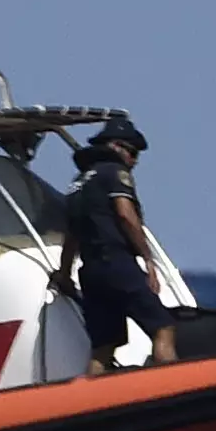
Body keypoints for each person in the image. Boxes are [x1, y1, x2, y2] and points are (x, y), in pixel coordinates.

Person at [61, 116, 168, 372]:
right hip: (118, 264)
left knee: (104, 346)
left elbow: (72, 234)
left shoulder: (79, 182)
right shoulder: (114, 173)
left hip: (91, 271)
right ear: (116, 147)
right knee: (164, 328)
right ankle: (173, 390)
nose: (134, 161)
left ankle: (90, 403)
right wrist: (149, 260)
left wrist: (64, 273)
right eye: (131, 153)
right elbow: (125, 215)